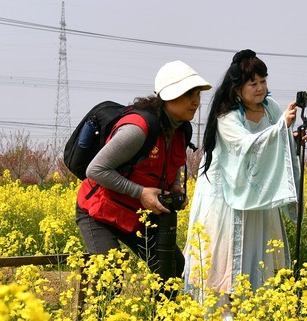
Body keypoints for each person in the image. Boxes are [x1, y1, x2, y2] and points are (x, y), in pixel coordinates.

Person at [183, 50, 305, 321]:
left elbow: (277, 144)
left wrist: (292, 136)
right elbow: (243, 145)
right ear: (238, 89)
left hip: (260, 191)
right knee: (223, 251)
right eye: (253, 83)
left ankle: (252, 311)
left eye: (263, 81)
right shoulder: (227, 115)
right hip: (227, 194)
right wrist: (280, 129)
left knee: (257, 248)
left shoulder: (271, 107)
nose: (260, 88)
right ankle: (218, 316)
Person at [76, 61, 211, 291]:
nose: (196, 101)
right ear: (169, 96)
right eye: (189, 94)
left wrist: (175, 185)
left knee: (172, 269)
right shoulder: (138, 129)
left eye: (198, 93)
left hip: (138, 215)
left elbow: (172, 164)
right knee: (111, 276)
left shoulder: (180, 129)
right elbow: (95, 170)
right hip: (100, 211)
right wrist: (140, 192)